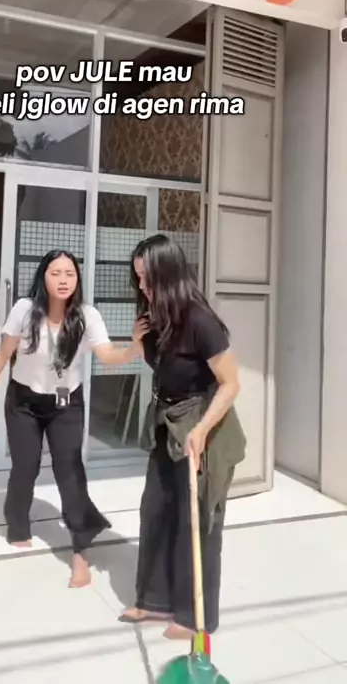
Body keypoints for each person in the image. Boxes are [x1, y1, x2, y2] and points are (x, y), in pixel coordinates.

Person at [0, 249, 147, 588]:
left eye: (69, 273)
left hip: (66, 404)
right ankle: (17, 524)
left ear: (77, 279)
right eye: (55, 273)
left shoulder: (87, 315)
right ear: (43, 277)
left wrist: (134, 347)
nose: (63, 280)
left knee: (70, 474)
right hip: (23, 402)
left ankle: (80, 551)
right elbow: (5, 350)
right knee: (25, 466)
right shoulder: (24, 310)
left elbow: (106, 355)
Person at [120, 234, 245, 639]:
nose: (142, 286)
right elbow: (163, 369)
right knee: (155, 509)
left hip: (201, 422)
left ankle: (194, 617)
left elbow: (230, 383)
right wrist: (139, 342)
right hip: (167, 422)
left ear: (169, 274)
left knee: (197, 520)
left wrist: (202, 429)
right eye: (138, 278)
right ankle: (154, 600)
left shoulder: (199, 320)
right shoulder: (156, 317)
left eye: (148, 278)